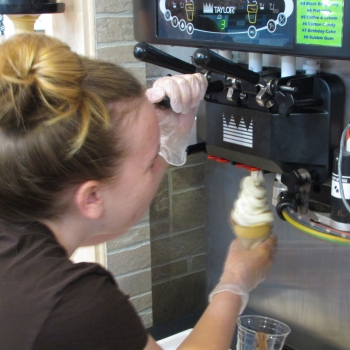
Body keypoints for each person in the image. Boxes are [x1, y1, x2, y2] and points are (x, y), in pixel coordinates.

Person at [0, 32, 277, 350]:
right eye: (150, 163)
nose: (160, 164)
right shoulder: (71, 305)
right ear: (91, 197)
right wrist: (235, 283)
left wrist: (164, 137)